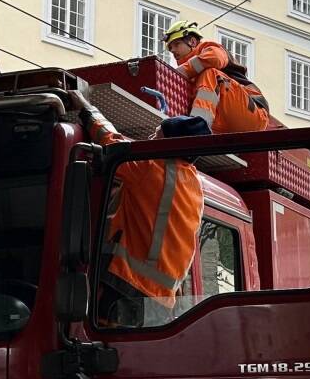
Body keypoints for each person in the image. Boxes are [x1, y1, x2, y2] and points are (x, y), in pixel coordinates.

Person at [66, 91, 206, 327]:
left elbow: (112, 141)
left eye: (156, 134)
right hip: (160, 300)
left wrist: (86, 108)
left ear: (168, 144)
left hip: (127, 286)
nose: (149, 139)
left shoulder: (151, 169)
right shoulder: (192, 181)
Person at [162, 21, 269, 135]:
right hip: (230, 122)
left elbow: (216, 58)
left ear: (192, 41)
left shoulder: (207, 48)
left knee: (210, 73)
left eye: (177, 44)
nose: (172, 50)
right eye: (170, 48)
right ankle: (200, 127)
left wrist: (182, 71)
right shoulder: (193, 77)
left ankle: (198, 124)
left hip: (254, 112)